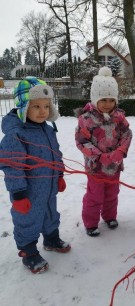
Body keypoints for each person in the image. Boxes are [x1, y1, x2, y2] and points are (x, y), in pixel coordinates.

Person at [0, 77, 71, 274]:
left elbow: (55, 153)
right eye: (36, 106)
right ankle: (29, 251)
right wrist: (18, 194)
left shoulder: (48, 130)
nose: (43, 111)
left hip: (48, 188)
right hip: (28, 191)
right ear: (23, 107)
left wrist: (59, 174)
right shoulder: (16, 134)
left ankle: (51, 238)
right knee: (28, 220)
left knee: (50, 214)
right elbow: (12, 165)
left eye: (46, 106)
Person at [75, 67, 132, 237]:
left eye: (111, 100)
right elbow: (81, 141)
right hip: (95, 167)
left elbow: (127, 134)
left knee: (112, 193)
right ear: (95, 99)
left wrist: (120, 151)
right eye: (103, 100)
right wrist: (99, 155)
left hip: (114, 165)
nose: (108, 104)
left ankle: (109, 216)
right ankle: (91, 222)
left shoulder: (119, 117)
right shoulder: (86, 119)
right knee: (95, 195)